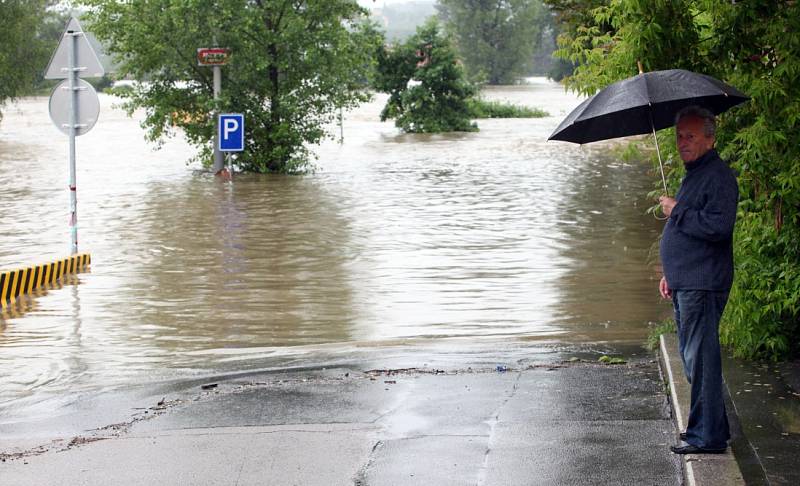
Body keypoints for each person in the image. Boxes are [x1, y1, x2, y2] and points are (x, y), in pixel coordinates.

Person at [658, 105, 739, 455]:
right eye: (679, 136)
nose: (682, 143)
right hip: (687, 280)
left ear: (710, 137)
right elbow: (688, 231)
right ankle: (709, 431)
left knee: (701, 360)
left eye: (690, 136)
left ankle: (708, 437)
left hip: (704, 284)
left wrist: (677, 210)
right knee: (694, 360)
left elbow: (718, 228)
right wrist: (670, 273)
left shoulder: (718, 176)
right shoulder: (695, 173)